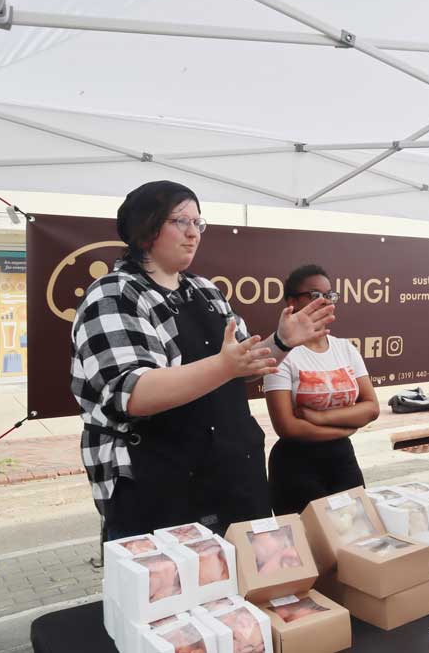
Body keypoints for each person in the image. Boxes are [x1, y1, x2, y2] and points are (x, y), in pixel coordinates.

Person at [71, 181, 335, 540]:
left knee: (250, 588)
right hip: (159, 487)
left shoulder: (205, 291)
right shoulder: (114, 294)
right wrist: (224, 366)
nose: (193, 233)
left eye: (199, 223)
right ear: (146, 228)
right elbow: (133, 393)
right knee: (174, 591)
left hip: (234, 479)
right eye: (182, 221)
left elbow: (243, 364)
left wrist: (282, 341)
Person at [263, 264, 379, 515]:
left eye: (329, 295)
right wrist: (346, 427)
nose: (324, 301)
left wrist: (320, 417)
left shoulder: (344, 348)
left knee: (355, 536)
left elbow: (371, 407)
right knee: (311, 545)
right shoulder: (281, 354)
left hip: (342, 459)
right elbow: (286, 426)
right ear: (292, 302)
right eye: (314, 295)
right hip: (296, 466)